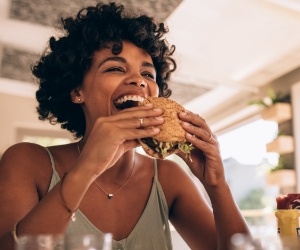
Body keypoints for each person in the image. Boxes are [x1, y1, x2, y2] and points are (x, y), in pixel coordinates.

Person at [0, 2, 250, 249]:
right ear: (77, 91)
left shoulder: (168, 177)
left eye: (148, 74)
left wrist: (217, 185)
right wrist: (86, 169)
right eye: (116, 68)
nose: (138, 81)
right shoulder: (26, 161)